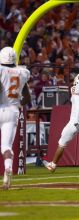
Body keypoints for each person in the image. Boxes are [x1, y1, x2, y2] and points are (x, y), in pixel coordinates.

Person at [0, 46, 31, 189]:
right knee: (6, 146)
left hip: (1, 107)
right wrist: (17, 103)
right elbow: (27, 98)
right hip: (13, 111)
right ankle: (8, 168)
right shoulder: (23, 72)